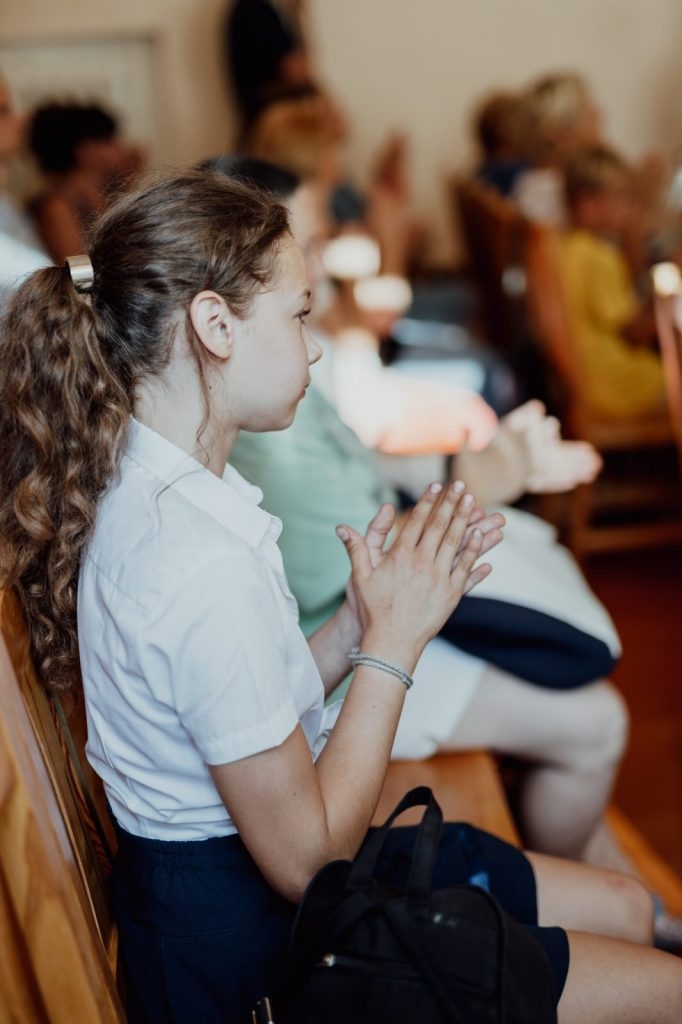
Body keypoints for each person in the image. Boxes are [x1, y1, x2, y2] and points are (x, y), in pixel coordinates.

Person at [2, 167, 681, 1023]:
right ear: (214, 326)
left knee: (623, 907)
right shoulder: (193, 562)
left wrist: (359, 620)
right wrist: (390, 649)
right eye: (296, 314)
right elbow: (312, 860)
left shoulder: (160, 493)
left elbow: (240, 713)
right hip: (259, 955)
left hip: (245, 894)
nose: (314, 343)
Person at [217, 158, 674, 901]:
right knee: (594, 721)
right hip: (342, 651)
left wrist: (481, 469)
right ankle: (601, 901)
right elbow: (354, 561)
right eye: (312, 234)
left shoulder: (277, 378)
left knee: (559, 630)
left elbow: (365, 467)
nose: (326, 253)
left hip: (354, 634)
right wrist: (477, 482)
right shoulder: (265, 422)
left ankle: (619, 897)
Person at [560, 144, 667, 421]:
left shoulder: (571, 247)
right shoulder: (598, 258)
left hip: (587, 378)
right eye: (621, 199)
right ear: (588, 204)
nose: (629, 208)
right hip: (616, 386)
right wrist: (669, 295)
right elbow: (635, 334)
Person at [28, 100, 143, 264]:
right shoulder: (58, 207)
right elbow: (77, 273)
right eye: (109, 141)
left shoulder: (107, 192)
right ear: (85, 150)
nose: (120, 147)